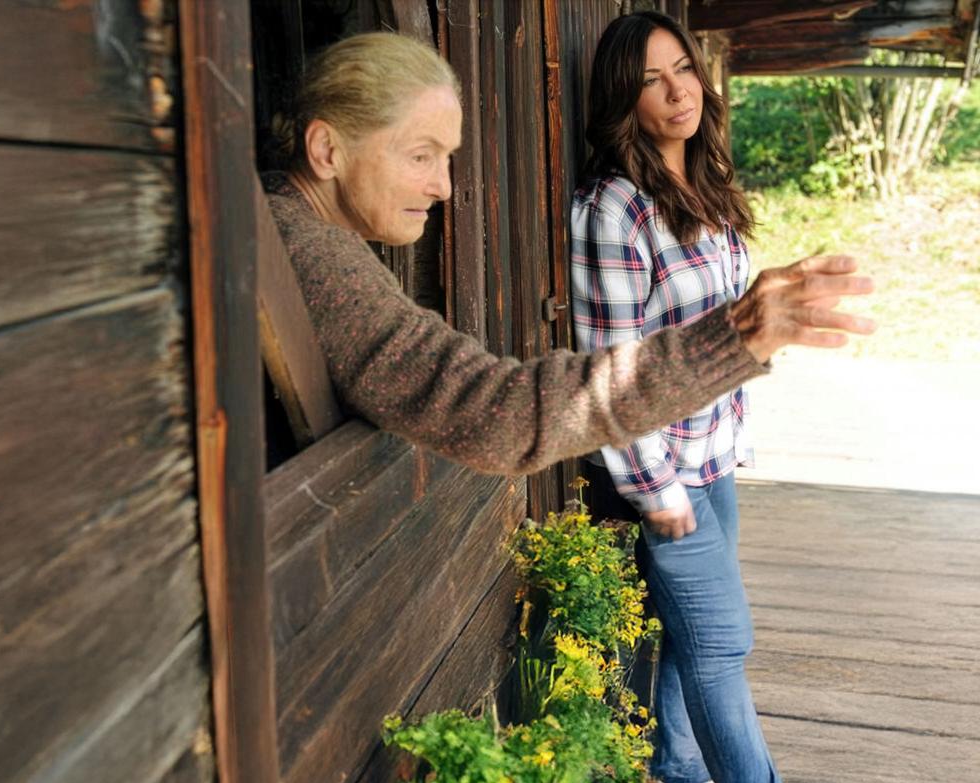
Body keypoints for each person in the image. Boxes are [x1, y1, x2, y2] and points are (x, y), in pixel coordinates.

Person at [262, 31, 874, 480]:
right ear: (327, 150)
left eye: (447, 158)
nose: (444, 188)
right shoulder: (308, 253)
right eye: (421, 155)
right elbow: (497, 414)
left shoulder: (296, 225)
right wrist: (733, 337)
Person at [569, 12, 878, 783]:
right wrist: (654, 490)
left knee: (686, 637)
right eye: (654, 79)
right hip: (661, 470)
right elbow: (611, 371)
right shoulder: (612, 211)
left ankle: (677, 768)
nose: (680, 90)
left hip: (712, 452)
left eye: (685, 69)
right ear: (624, 101)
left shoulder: (702, 186)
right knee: (718, 642)